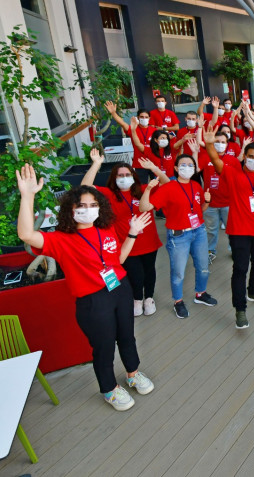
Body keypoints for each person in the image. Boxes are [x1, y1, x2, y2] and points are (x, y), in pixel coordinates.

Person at [17, 164, 154, 411]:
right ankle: (109, 389)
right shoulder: (60, 239)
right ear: (70, 209)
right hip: (93, 300)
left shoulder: (106, 228)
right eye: (81, 206)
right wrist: (27, 197)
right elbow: (27, 234)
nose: (88, 210)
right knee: (103, 346)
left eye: (93, 205)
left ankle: (133, 373)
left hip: (120, 288)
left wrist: (132, 234)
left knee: (127, 336)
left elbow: (118, 260)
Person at [81, 149, 169, 316]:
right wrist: (96, 164)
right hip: (126, 243)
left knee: (149, 271)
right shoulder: (108, 194)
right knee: (136, 274)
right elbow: (85, 188)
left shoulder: (144, 189)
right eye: (120, 175)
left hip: (149, 241)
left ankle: (149, 298)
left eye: (127, 174)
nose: (124, 178)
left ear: (133, 176)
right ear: (114, 178)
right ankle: (137, 299)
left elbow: (167, 184)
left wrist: (154, 168)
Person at [204, 130, 254, 329]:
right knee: (240, 268)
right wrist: (209, 144)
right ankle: (240, 309)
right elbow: (216, 160)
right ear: (244, 157)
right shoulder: (232, 173)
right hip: (239, 230)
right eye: (250, 157)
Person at [139, 150, 218, 318]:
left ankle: (200, 293)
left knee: (203, 267)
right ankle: (178, 301)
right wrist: (148, 190)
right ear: (176, 168)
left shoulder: (196, 186)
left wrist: (208, 201)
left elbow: (200, 210)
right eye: (183, 165)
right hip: (178, 236)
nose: (187, 168)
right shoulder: (168, 188)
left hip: (199, 232)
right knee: (178, 272)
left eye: (191, 165)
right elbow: (144, 208)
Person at [198, 131, 240, 262]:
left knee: (232, 230)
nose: (220, 145)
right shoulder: (205, 157)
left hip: (228, 203)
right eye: (217, 142)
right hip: (210, 203)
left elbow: (239, 181)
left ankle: (235, 250)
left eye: (223, 142)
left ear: (227, 145)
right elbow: (194, 171)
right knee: (210, 230)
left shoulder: (233, 161)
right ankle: (210, 251)